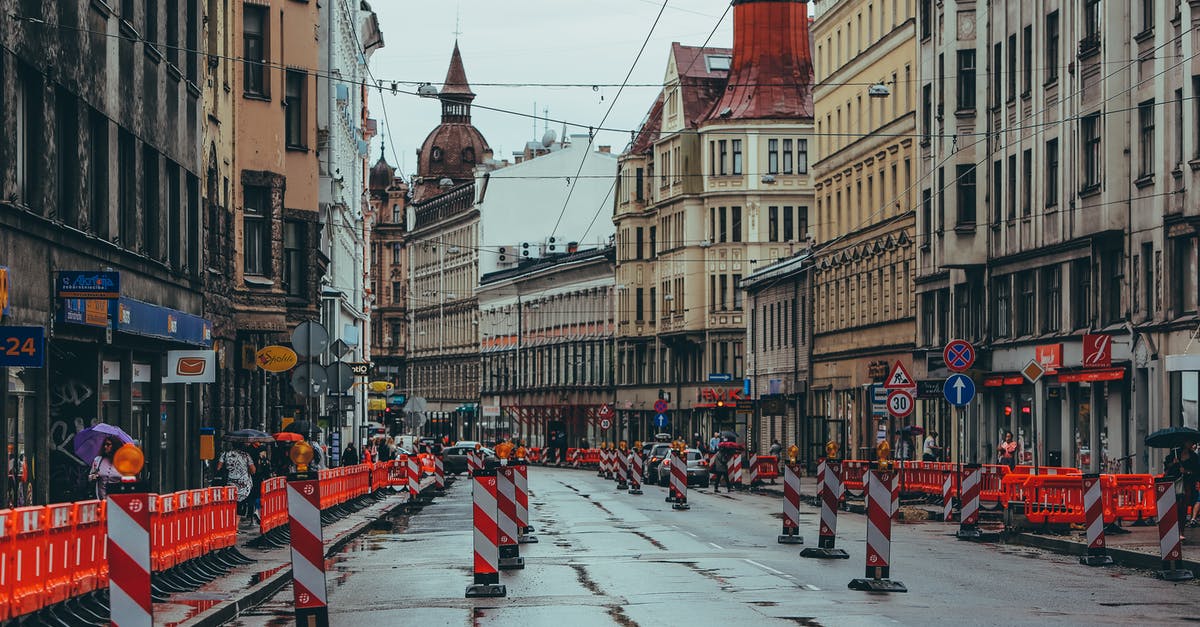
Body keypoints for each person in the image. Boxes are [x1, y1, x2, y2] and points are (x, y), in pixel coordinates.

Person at [217, 444, 257, 522]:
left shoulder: (225, 454)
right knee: (240, 504)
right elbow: (253, 471)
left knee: (230, 503)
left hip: (229, 483)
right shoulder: (246, 455)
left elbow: (218, 468)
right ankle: (236, 527)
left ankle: (229, 524)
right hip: (243, 484)